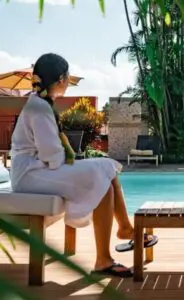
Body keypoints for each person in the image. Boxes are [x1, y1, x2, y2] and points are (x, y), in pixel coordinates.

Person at [10, 53, 157, 277]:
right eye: (68, 77)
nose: (69, 82)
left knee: (104, 174)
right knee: (103, 169)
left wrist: (67, 155)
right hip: (30, 176)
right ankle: (121, 233)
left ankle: (109, 251)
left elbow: (51, 153)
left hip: (37, 170)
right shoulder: (39, 108)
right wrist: (67, 155)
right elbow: (52, 156)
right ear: (61, 79)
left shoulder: (40, 105)